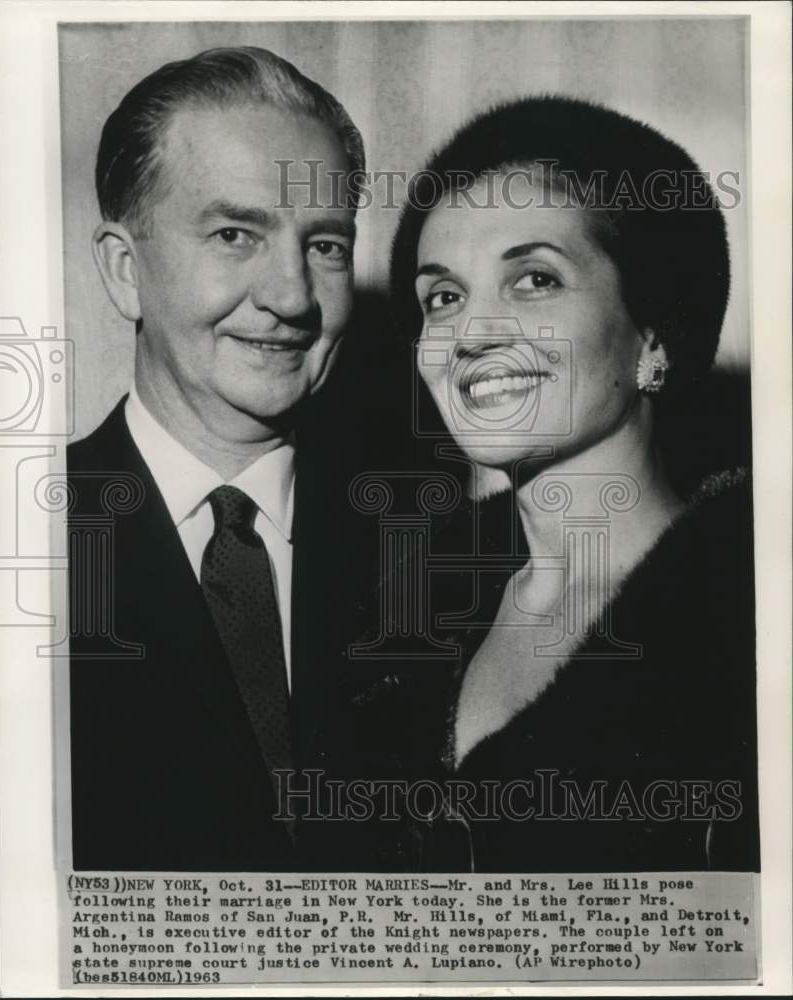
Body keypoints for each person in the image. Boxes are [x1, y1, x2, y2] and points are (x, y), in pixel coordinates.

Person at [378, 96, 759, 872]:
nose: (473, 332)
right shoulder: (394, 611)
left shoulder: (749, 618)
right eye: (443, 297)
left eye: (535, 280)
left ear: (654, 335)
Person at [67, 46, 384, 871]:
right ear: (125, 271)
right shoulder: (24, 539)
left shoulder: (432, 550)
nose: (291, 297)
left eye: (326, 246)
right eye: (235, 234)